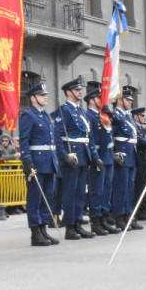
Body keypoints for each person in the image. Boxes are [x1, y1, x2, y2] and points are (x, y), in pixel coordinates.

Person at [19, 81, 60, 246]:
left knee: (47, 197)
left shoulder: (46, 116)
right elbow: (24, 140)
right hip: (36, 161)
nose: (45, 97)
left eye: (45, 95)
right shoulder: (29, 115)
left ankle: (44, 229)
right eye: (42, 95)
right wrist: (27, 161)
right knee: (35, 197)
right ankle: (35, 232)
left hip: (49, 161)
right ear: (33, 98)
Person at [54, 78, 93, 239]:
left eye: (80, 89)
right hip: (72, 155)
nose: (80, 92)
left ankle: (77, 222)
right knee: (70, 193)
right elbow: (57, 135)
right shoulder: (63, 111)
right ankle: (70, 226)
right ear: (68, 93)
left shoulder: (80, 111)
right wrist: (64, 156)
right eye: (76, 90)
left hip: (83, 154)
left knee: (80, 193)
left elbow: (87, 135)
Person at [110, 86, 143, 231]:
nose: (131, 102)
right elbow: (111, 135)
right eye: (127, 99)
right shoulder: (115, 115)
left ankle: (129, 215)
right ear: (119, 100)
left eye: (131, 99)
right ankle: (119, 217)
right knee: (121, 188)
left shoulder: (127, 116)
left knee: (129, 188)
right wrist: (115, 152)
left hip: (131, 154)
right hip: (122, 154)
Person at [84, 88, 112, 236]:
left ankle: (104, 218)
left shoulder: (103, 116)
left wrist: (110, 115)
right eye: (99, 98)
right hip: (97, 155)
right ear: (91, 101)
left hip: (106, 155)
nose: (102, 101)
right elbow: (91, 139)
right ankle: (96, 220)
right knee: (97, 190)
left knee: (106, 190)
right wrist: (95, 156)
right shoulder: (89, 116)